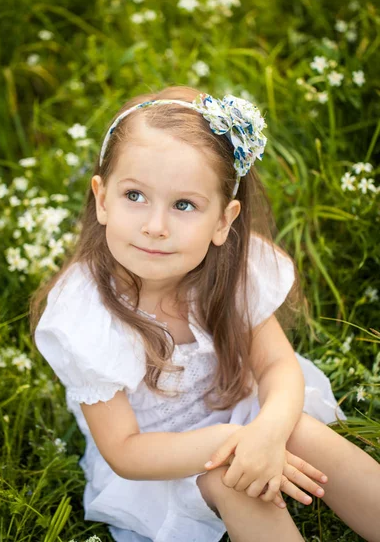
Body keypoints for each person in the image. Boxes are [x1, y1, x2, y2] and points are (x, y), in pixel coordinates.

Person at [31, 86, 380, 542]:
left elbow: (278, 365)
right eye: (134, 195)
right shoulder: (86, 314)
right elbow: (125, 452)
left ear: (223, 221)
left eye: (183, 205)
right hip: (159, 461)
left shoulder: (231, 271)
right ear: (101, 198)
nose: (155, 226)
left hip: (241, 413)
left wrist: (269, 430)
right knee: (232, 481)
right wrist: (234, 445)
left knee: (301, 429)